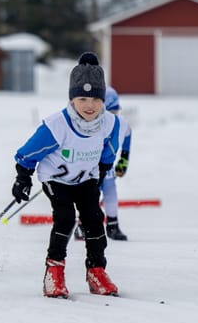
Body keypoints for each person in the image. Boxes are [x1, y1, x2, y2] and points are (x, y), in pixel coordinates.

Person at [13, 53, 122, 298]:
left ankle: (96, 270)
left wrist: (104, 169)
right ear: (72, 99)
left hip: (86, 178)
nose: (89, 105)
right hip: (56, 179)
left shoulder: (109, 124)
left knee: (94, 219)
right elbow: (27, 152)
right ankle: (54, 270)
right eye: (82, 98)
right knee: (65, 218)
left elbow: (109, 150)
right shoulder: (57, 125)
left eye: (95, 99)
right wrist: (23, 178)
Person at [74, 85, 133, 241]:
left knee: (110, 192)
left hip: (107, 167)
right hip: (91, 167)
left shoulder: (121, 123)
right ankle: (82, 225)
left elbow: (127, 136)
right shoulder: (93, 125)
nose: (113, 115)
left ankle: (113, 225)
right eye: (109, 112)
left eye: (115, 111)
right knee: (90, 195)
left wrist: (123, 161)